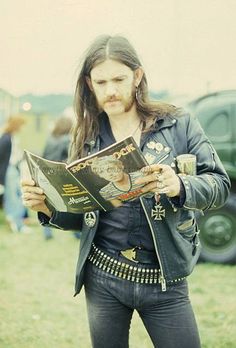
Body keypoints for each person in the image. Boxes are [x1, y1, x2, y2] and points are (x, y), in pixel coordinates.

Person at [21, 35, 230, 348]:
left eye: (118, 79)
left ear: (138, 76)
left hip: (165, 280)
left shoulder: (179, 123)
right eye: (101, 81)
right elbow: (83, 216)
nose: (111, 91)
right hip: (103, 276)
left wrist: (180, 185)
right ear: (89, 84)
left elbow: (220, 185)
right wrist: (49, 208)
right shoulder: (86, 133)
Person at [40, 115, 74, 239]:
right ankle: (77, 233)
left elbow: (43, 155)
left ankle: (47, 233)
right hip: (60, 176)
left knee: (46, 204)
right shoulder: (67, 140)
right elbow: (70, 158)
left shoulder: (50, 138)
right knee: (71, 203)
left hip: (46, 173)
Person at [0, 115, 30, 232]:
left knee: (16, 197)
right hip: (9, 171)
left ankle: (18, 222)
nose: (22, 128)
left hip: (12, 170)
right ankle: (17, 224)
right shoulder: (6, 138)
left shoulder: (10, 137)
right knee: (13, 197)